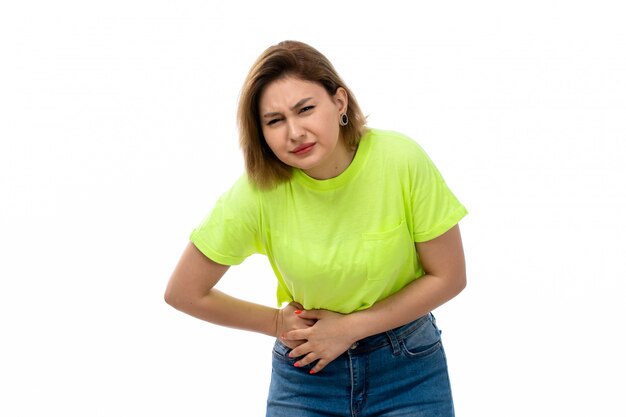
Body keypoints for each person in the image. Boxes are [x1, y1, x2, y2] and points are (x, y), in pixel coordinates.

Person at [165, 40, 468, 417]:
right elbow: (183, 292)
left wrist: (350, 328)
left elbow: (449, 276)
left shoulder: (401, 160)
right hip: (307, 373)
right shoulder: (257, 194)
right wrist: (276, 322)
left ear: (339, 102)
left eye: (305, 109)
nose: (294, 132)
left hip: (407, 365)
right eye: (275, 121)